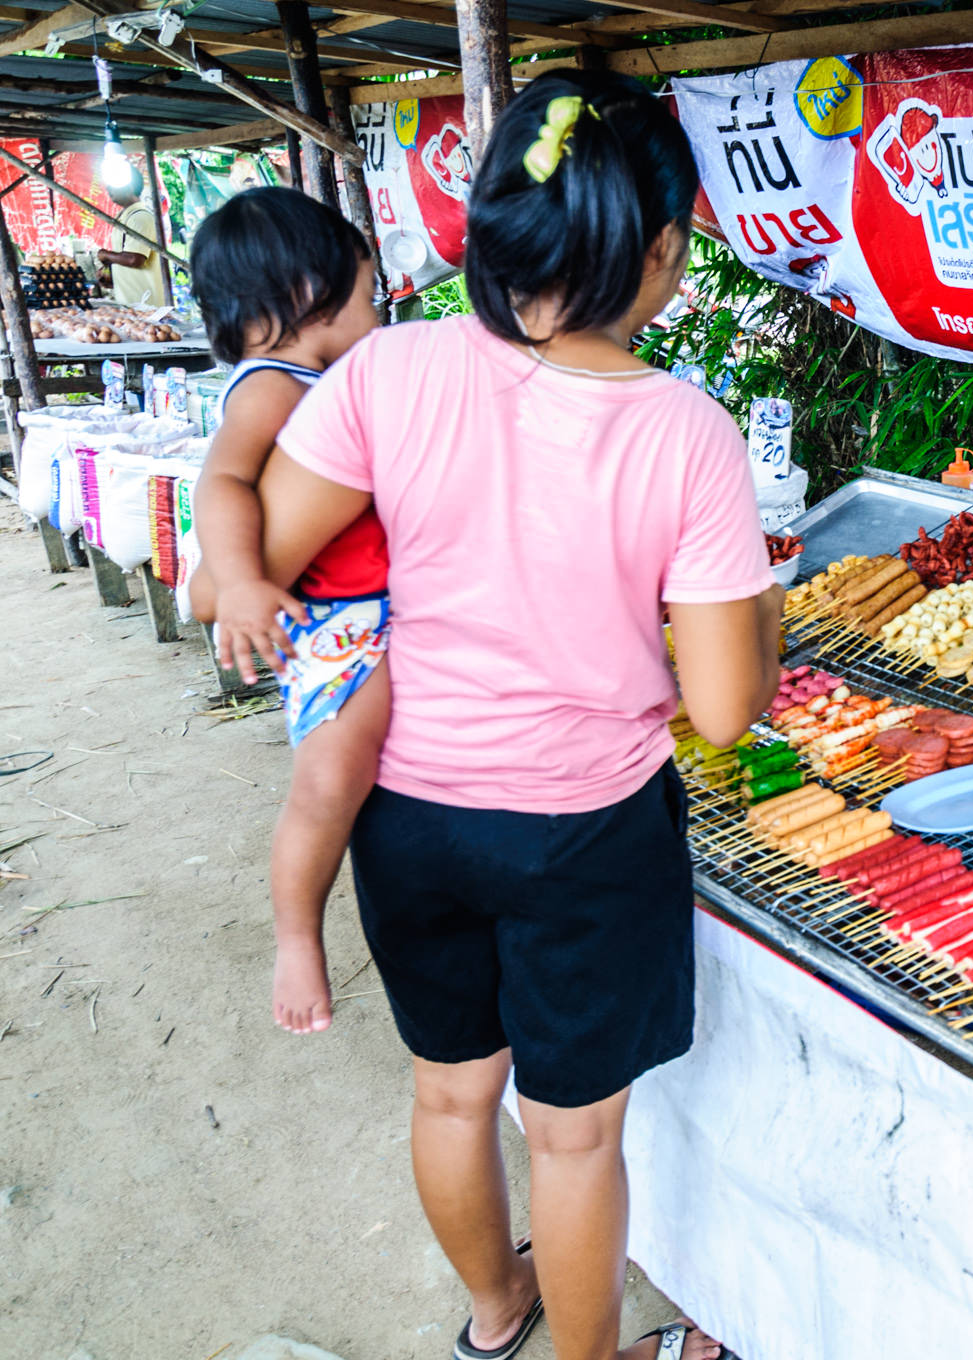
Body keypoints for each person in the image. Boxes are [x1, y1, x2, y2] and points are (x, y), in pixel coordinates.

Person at [258, 69, 781, 1360]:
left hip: (410, 815)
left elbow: (270, 547)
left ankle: (499, 1319)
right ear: (657, 253)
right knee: (572, 1133)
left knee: (450, 1097)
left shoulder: (388, 371)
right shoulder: (685, 436)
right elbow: (722, 709)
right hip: (583, 833)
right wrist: (756, 617)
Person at [185, 186, 384, 1039]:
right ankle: (298, 937)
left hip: (374, 610)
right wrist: (235, 582)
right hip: (340, 623)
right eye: (369, 292)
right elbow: (221, 483)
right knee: (325, 786)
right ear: (309, 291)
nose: (380, 307)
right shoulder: (273, 385)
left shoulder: (330, 379)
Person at [97, 171, 168, 308]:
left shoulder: (140, 217)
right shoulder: (126, 217)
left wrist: (105, 255)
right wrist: (112, 274)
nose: (109, 189)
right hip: (130, 302)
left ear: (128, 187)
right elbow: (126, 258)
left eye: (113, 185)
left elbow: (135, 259)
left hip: (145, 305)